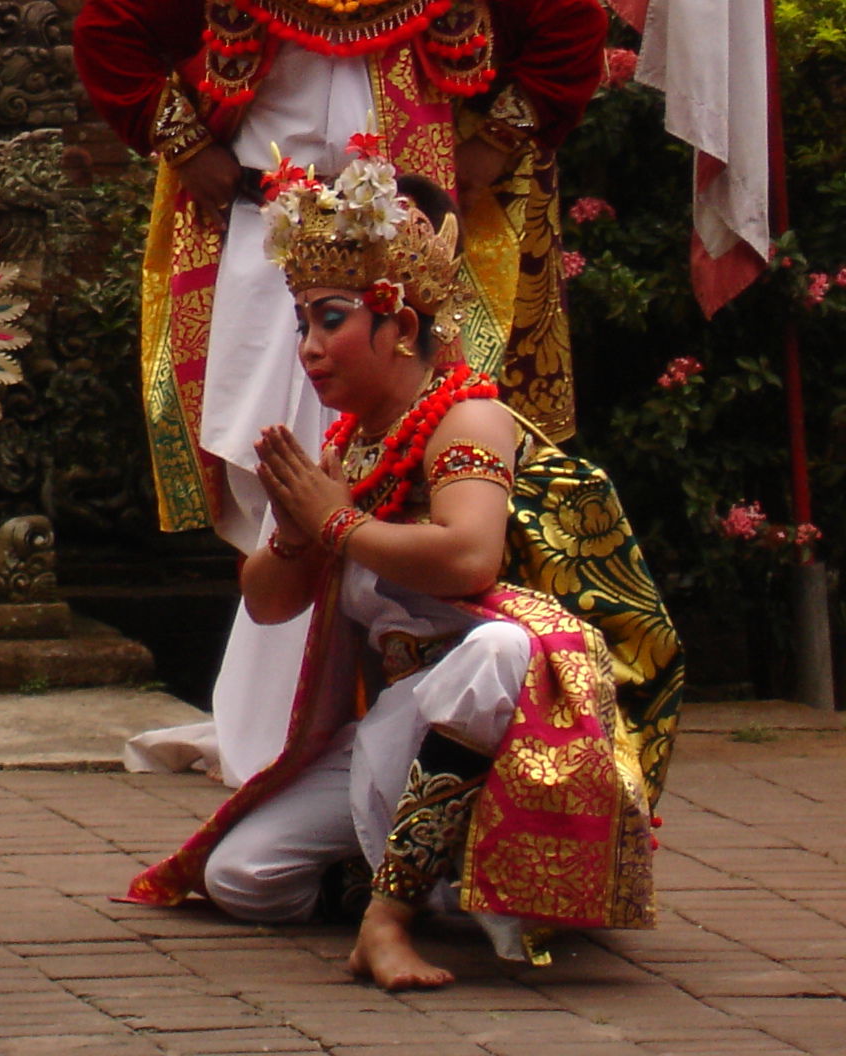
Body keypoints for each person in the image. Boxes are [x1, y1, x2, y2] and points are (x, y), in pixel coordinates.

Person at [71, 0, 607, 780]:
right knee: (273, 475)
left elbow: (568, 33)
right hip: (264, 254)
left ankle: (401, 719)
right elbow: (110, 32)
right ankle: (272, 730)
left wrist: (497, 145)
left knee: (410, 473)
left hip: (413, 260)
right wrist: (193, 150)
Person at [124, 158, 675, 988]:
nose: (309, 348)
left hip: (505, 713)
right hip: (401, 718)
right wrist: (298, 534)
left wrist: (339, 523)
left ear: (402, 325)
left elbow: (468, 558)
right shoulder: (348, 446)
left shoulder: (469, 418)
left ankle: (388, 917)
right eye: (303, 322)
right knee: (245, 879)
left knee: (498, 655)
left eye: (332, 319)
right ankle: (435, 873)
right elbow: (270, 606)